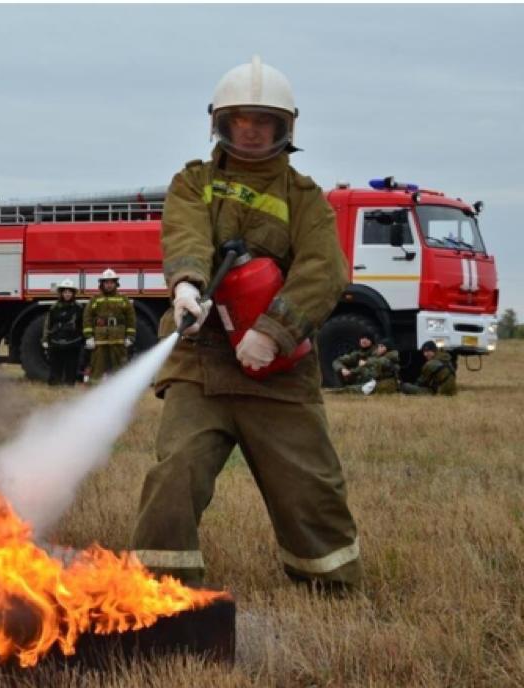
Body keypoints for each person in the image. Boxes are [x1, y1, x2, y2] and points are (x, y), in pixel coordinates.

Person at [131, 56, 362, 592]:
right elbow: (184, 232)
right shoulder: (194, 182)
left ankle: (332, 585)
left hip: (279, 369)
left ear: (285, 128)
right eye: (242, 120)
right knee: (175, 473)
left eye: (265, 121)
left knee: (312, 487)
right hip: (200, 363)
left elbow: (324, 270)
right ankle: (158, 593)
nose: (253, 131)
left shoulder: (305, 198)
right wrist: (187, 285)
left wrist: (273, 332)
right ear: (221, 122)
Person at [82, 269, 136, 382]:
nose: (109, 285)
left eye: (111, 282)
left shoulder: (123, 299)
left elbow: (131, 319)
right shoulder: (95, 300)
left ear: (116, 284)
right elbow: (87, 317)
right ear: (102, 284)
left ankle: (120, 390)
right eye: (106, 282)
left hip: (118, 339)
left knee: (120, 367)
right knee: (97, 367)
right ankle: (95, 392)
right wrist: (89, 336)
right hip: (100, 340)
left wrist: (130, 336)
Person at [42, 279, 85, 386]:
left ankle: (69, 385)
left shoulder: (78, 308)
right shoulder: (54, 308)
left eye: (69, 292)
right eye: (65, 292)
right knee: (56, 366)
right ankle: (54, 385)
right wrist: (45, 340)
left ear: (73, 293)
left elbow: (83, 325)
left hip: (73, 343)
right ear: (61, 293)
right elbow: (48, 324)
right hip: (56, 342)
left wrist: (85, 339)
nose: (67, 294)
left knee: (72, 366)